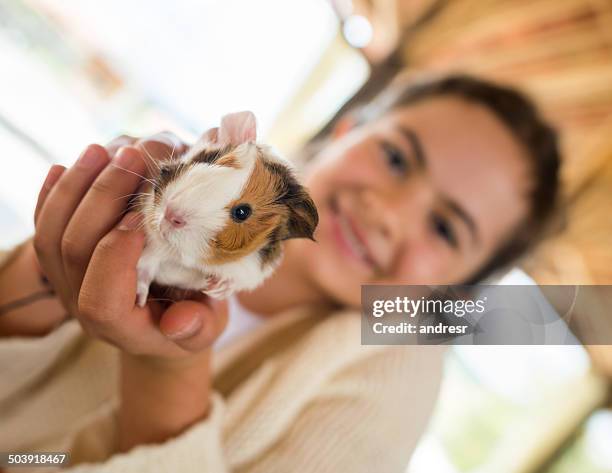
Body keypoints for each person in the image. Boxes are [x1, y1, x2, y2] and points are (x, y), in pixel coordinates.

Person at [0, 75, 560, 472]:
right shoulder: (205, 171)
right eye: (395, 158)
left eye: (444, 229)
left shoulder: (394, 372)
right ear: (346, 130)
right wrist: (45, 273)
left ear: (450, 291)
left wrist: (168, 373)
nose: (387, 211)